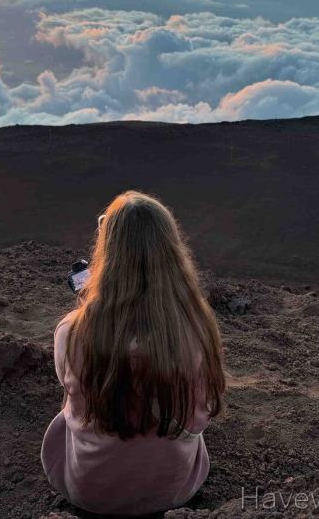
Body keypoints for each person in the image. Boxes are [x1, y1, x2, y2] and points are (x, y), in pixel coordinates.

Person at [41, 191, 226, 515]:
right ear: (172, 253)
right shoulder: (197, 330)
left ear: (106, 257)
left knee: (72, 405)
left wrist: (95, 307)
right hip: (173, 491)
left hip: (91, 491)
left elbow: (76, 393)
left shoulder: (71, 333)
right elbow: (201, 415)